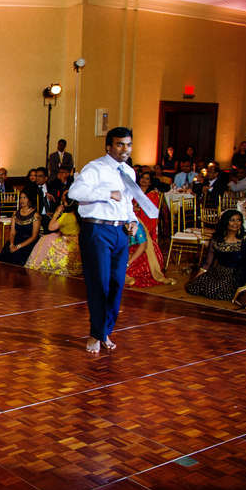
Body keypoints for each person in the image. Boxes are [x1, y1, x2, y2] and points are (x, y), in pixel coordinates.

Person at [68, 126, 158, 354]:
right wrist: (106, 194)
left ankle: (104, 331)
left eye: (128, 144)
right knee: (100, 283)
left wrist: (132, 219)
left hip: (120, 232)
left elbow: (127, 201)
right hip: (97, 230)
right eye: (119, 144)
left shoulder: (129, 172)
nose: (124, 149)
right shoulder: (95, 168)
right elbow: (74, 192)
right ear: (109, 146)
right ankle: (95, 334)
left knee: (117, 284)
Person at [186, 209, 246, 301]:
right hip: (219, 272)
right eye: (232, 220)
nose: (236, 223)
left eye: (238, 220)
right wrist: (195, 278)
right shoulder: (217, 240)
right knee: (193, 287)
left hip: (239, 275)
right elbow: (207, 264)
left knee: (214, 290)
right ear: (225, 222)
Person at [25, 193, 83, 277]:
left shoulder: (66, 216)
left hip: (68, 242)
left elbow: (50, 227)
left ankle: (35, 264)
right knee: (51, 236)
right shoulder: (78, 214)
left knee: (45, 239)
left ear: (66, 203)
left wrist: (57, 213)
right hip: (78, 240)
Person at [0, 187, 41, 265]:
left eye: (25, 198)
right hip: (16, 239)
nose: (22, 200)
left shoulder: (36, 215)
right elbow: (12, 232)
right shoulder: (15, 214)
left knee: (17, 257)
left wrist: (18, 246)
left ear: (30, 199)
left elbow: (34, 236)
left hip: (28, 242)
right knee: (5, 255)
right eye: (21, 198)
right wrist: (12, 244)